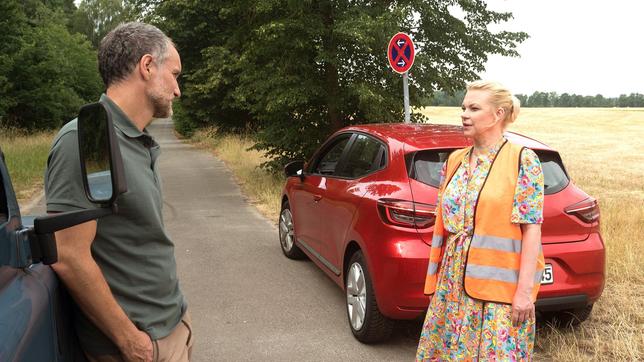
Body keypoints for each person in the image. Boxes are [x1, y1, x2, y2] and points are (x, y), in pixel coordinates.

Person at [45, 22, 191, 362]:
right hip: (137, 346)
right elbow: (68, 256)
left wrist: (180, 319)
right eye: (175, 74)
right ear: (147, 66)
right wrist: (131, 342)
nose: (178, 90)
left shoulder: (137, 141)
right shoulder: (86, 141)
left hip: (172, 326)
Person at [416, 80, 545, 361]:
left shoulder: (523, 160)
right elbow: (442, 227)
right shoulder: (455, 161)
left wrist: (524, 293)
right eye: (463, 107)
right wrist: (434, 283)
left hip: (499, 294)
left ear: (498, 114)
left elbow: (532, 231)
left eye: (474, 108)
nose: (464, 114)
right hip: (451, 287)